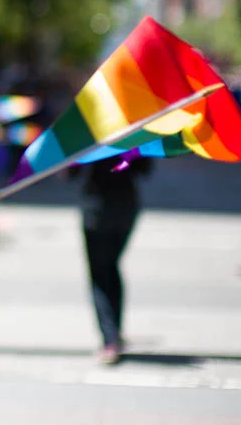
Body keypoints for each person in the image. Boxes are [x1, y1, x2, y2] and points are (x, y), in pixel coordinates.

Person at [80, 156, 152, 365]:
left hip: (97, 207)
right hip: (126, 205)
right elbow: (145, 169)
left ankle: (109, 340)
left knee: (101, 273)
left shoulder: (92, 134)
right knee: (111, 267)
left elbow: (71, 172)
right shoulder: (134, 134)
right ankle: (114, 334)